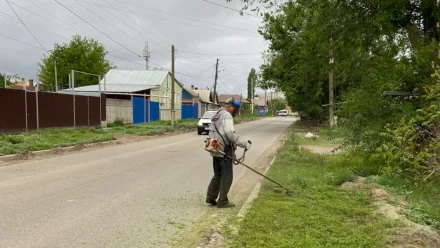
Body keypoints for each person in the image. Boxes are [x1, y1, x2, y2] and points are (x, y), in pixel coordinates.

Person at [205, 98, 251, 208]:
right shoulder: (227, 115)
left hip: (214, 148)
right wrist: (244, 144)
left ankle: (211, 197)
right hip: (224, 151)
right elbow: (230, 135)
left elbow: (218, 133)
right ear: (231, 107)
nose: (235, 111)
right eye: (235, 109)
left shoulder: (218, 114)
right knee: (227, 177)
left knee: (218, 175)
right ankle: (222, 201)